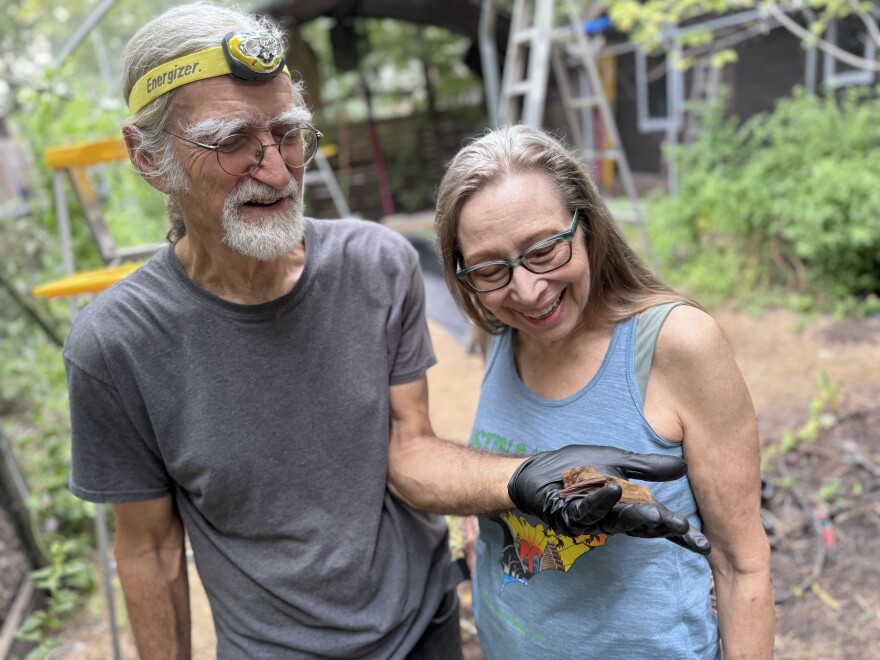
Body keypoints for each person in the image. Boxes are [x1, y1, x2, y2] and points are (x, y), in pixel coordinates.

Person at [63, 5, 710, 658]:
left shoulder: (377, 265)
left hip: (424, 627)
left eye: (289, 134)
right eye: (232, 141)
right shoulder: (116, 346)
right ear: (147, 158)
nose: (280, 170)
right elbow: (147, 549)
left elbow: (410, 448)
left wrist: (526, 479)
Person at [434, 125, 775, 658]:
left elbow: (741, 565)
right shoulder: (499, 331)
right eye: (491, 268)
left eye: (544, 249)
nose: (527, 291)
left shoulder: (676, 345)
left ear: (587, 226)